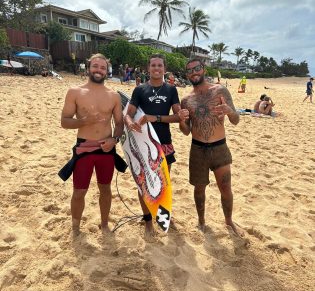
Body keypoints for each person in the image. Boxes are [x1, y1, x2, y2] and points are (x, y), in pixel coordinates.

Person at [124, 54, 189, 234]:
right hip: (143, 142)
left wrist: (155, 118)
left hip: (164, 143)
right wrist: (129, 123)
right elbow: (128, 113)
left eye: (160, 65)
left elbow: (178, 117)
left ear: (164, 68)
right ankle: (147, 221)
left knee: (163, 182)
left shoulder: (171, 90)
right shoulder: (139, 90)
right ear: (148, 68)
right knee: (143, 183)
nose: (156, 68)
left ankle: (163, 215)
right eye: (153, 65)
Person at [60, 53, 124, 235]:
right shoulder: (75, 92)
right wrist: (84, 121)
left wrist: (114, 140)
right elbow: (64, 122)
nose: (99, 70)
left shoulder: (114, 96)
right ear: (88, 68)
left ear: (107, 71)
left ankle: (104, 224)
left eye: (103, 67)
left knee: (105, 188)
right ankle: (75, 228)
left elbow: (119, 124)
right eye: (95, 66)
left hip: (106, 148)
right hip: (84, 148)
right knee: (79, 191)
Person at [179, 58, 242, 236]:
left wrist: (229, 111)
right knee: (199, 188)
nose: (194, 72)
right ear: (187, 75)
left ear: (203, 69)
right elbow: (186, 131)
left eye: (197, 68)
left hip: (219, 147)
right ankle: (201, 221)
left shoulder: (220, 90)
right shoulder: (186, 100)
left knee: (225, 188)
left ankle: (229, 221)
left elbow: (236, 120)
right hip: (198, 149)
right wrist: (182, 121)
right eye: (190, 70)